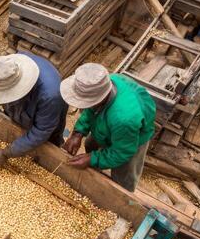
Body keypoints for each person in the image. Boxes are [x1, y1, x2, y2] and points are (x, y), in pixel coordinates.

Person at [60, 63, 156, 192]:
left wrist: (92, 159)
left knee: (123, 174)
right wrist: (78, 133)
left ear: (100, 99)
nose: (83, 106)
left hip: (131, 137)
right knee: (90, 143)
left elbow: (122, 152)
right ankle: (94, 170)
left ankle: (122, 195)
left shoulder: (124, 118)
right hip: (107, 121)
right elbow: (89, 110)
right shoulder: (100, 84)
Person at [0, 53, 68, 165]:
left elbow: (41, 132)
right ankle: (23, 141)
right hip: (26, 109)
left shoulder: (50, 96)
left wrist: (7, 153)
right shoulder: (8, 66)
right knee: (18, 123)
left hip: (49, 116)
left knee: (50, 142)